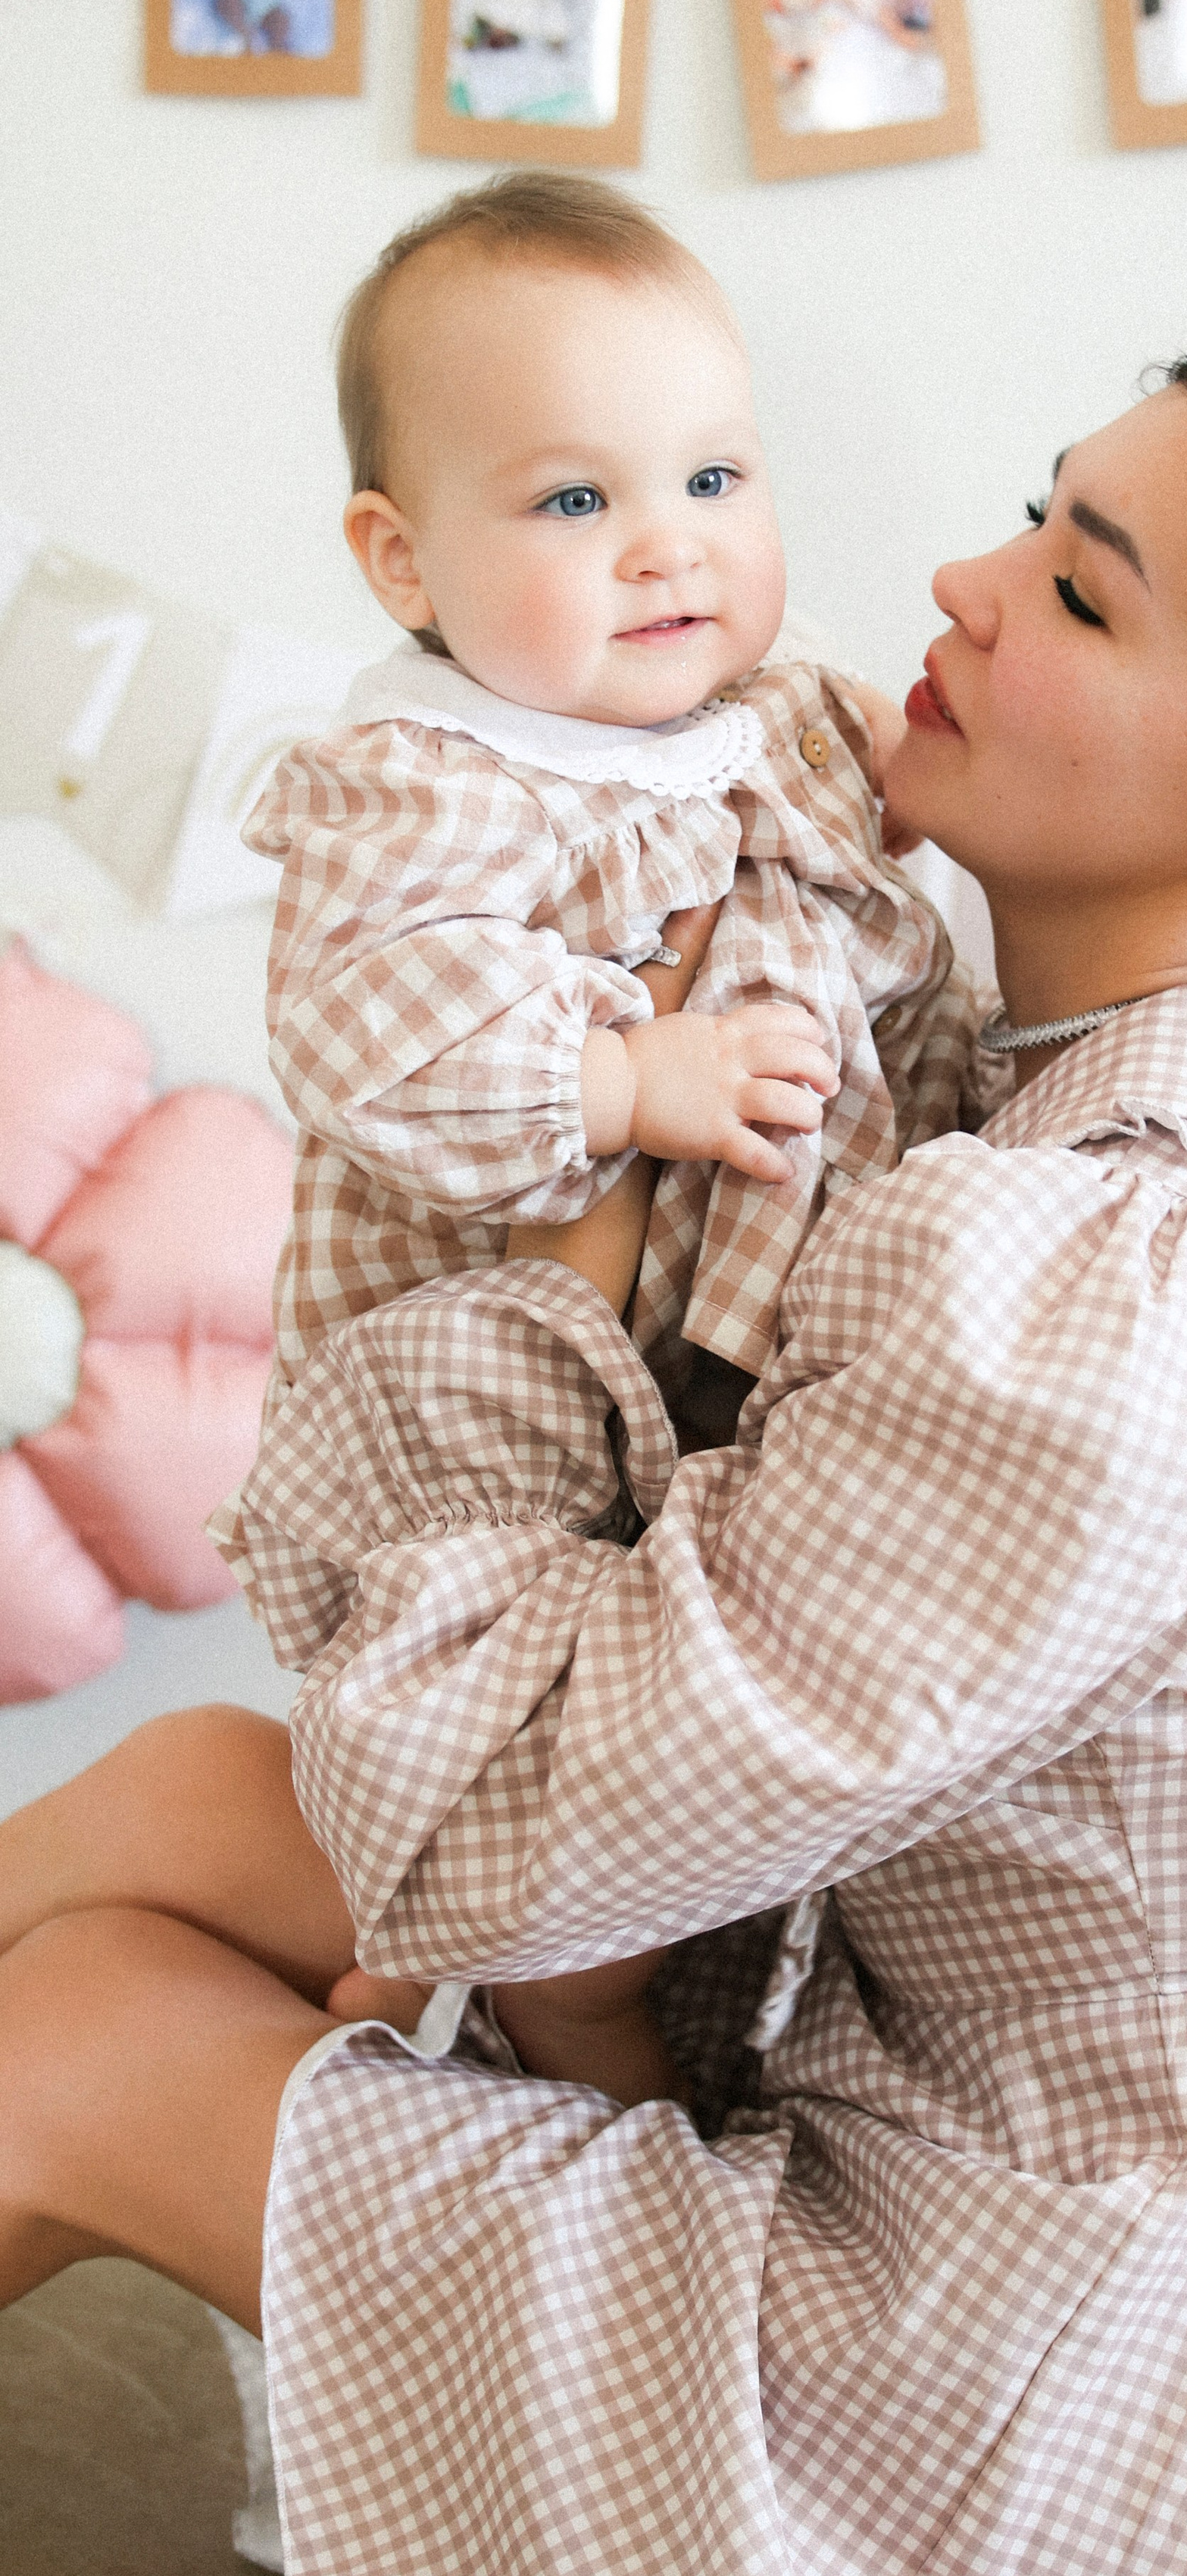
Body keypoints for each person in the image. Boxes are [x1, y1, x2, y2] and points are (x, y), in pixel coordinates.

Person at [0, 346, 1187, 2576]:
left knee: (81, 2041)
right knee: (185, 1788)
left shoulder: (1105, 1296)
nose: (960, 581)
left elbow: (518, 1846)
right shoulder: (1144, 1085)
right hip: (1149, 2122)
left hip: (1101, 2336)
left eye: (1081, 590)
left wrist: (547, 1285)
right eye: (1036, 513)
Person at [210, 166, 973, 2097]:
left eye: (713, 478)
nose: (666, 549)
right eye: (575, 501)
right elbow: (372, 1038)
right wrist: (631, 1082)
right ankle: (557, 2008)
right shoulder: (427, 785)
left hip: (719, 1392)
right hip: (488, 1410)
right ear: (401, 561)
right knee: (521, 1749)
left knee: (696, 1760)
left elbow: (906, 870)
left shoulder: (783, 720)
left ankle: (471, 1966)